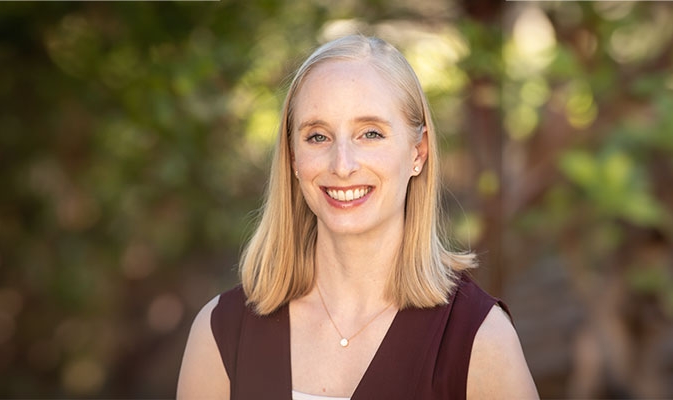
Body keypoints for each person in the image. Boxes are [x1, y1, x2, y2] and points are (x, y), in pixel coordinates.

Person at [176, 34, 538, 400]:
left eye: (370, 133)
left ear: (418, 152)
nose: (342, 165)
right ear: (293, 158)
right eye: (318, 137)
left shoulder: (479, 341)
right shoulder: (222, 333)